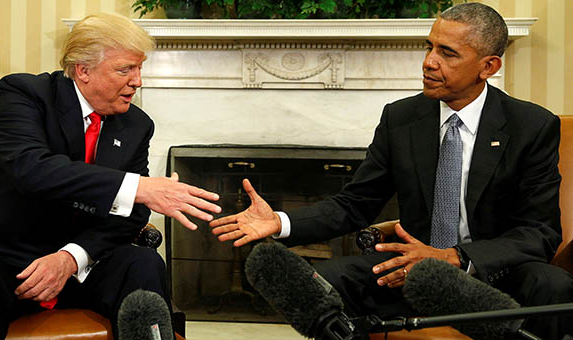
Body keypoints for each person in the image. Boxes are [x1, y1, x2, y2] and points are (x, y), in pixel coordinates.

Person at [210, 3, 573, 339]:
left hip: (494, 274)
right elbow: (355, 203)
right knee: (324, 281)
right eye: (429, 47)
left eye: (447, 53)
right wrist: (281, 221)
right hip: (408, 270)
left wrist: (457, 258)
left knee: (553, 286)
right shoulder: (401, 118)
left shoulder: (530, 126)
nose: (429, 62)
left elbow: (539, 232)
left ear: (488, 66)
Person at [0, 13, 221, 340]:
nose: (138, 81)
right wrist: (138, 187)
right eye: (125, 70)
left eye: (140, 69)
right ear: (83, 70)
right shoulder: (24, 94)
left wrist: (71, 257)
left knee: (143, 263)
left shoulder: (136, 124)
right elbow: (33, 170)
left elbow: (132, 214)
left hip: (80, 264)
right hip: (5, 257)